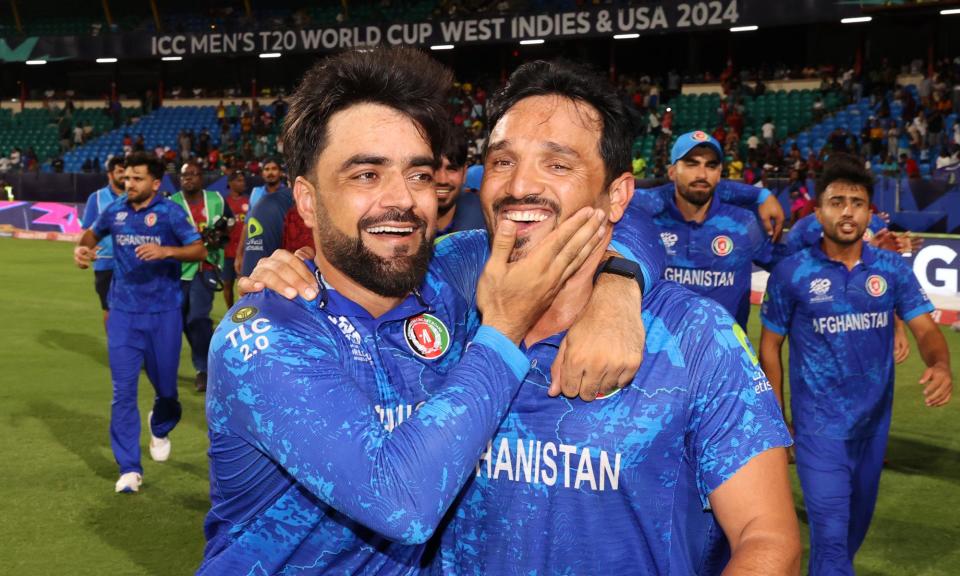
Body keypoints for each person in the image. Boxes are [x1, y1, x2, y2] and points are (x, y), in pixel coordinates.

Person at [244, 59, 799, 574]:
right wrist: (292, 267)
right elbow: (365, 260)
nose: (520, 186)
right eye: (503, 161)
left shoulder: (696, 338)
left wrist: (618, 285)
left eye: (557, 164)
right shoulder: (446, 284)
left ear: (617, 195)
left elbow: (767, 536)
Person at [199, 47, 663, 575]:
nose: (401, 200)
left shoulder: (453, 269)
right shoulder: (265, 337)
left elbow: (621, 220)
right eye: (366, 176)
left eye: (418, 175)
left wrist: (618, 287)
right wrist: (503, 327)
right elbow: (403, 502)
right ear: (306, 199)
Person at [759, 155, 952, 576]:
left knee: (848, 538)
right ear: (819, 210)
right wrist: (778, 419)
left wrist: (940, 364)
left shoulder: (891, 269)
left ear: (869, 211)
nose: (848, 211)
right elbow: (770, 348)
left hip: (873, 431)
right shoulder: (792, 273)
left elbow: (926, 329)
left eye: (858, 202)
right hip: (818, 431)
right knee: (829, 540)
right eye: (837, 201)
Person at [72, 151, 206, 493]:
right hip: (123, 313)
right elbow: (90, 234)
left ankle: (160, 426)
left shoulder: (170, 213)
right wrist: (82, 249)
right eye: (126, 178)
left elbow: (199, 250)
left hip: (164, 314)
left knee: (167, 392)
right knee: (123, 392)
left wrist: (167, 252)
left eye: (136, 179)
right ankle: (129, 468)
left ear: (155, 183)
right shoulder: (114, 210)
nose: (128, 184)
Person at [633, 131, 777, 328]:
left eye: (711, 165)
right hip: (661, 354)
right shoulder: (646, 221)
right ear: (672, 172)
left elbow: (786, 267)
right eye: (691, 163)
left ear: (719, 174)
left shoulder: (744, 223)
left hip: (726, 355)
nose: (701, 174)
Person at [170, 161, 234, 393]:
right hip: (177, 270)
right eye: (185, 175)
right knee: (179, 321)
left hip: (205, 268)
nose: (189, 179)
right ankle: (163, 362)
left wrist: (219, 233)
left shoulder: (216, 199)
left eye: (194, 175)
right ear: (180, 179)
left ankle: (204, 370)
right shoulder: (171, 203)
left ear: (201, 178)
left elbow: (230, 221)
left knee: (197, 317)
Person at [80, 156, 127, 327]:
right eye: (119, 172)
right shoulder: (97, 198)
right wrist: (86, 249)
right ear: (110, 174)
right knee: (109, 310)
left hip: (133, 262)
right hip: (105, 263)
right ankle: (115, 349)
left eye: (126, 171)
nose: (124, 176)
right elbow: (86, 229)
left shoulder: (136, 196)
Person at [234, 158, 288, 274]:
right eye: (267, 169)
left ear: (280, 172)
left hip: (281, 249)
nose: (270, 172)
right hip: (257, 248)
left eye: (274, 169)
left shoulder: (288, 193)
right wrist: (239, 254)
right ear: (262, 173)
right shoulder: (256, 193)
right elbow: (247, 224)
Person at [435, 130, 485, 236]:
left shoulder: (483, 223)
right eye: (434, 168)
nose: (442, 180)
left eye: (452, 169)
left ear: (464, 173)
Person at [221, 170, 249, 308]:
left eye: (243, 180)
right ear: (230, 183)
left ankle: (240, 314)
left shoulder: (249, 201)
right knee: (227, 284)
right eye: (239, 180)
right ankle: (229, 312)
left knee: (242, 285)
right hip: (227, 251)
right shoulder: (223, 203)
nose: (242, 183)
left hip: (243, 251)